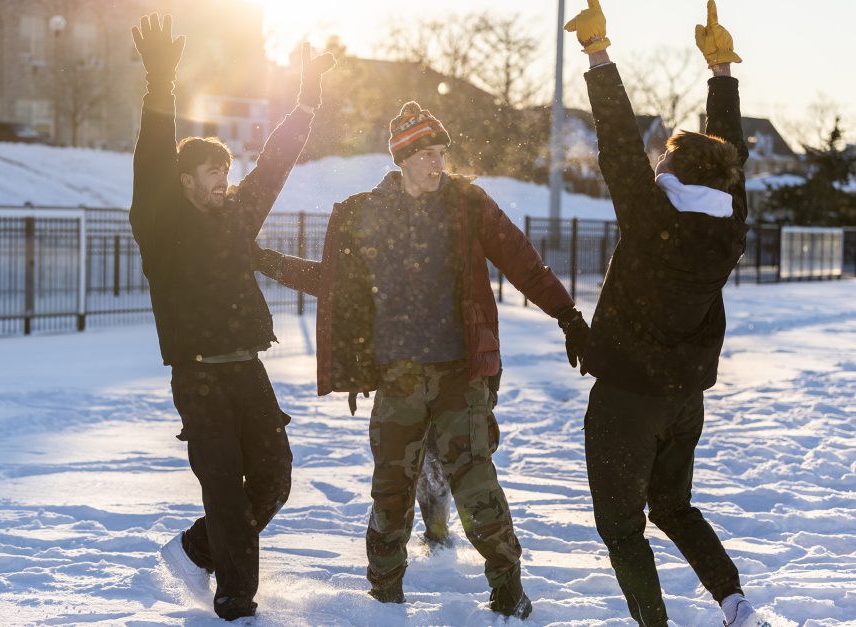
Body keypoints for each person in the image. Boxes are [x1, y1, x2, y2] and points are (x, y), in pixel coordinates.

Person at [254, 101, 589, 619]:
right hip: (397, 378)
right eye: (428, 155)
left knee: (476, 484)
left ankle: (508, 591)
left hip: (460, 375)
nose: (438, 165)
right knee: (391, 491)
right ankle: (385, 596)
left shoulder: (467, 204)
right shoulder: (364, 213)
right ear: (403, 158)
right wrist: (265, 261)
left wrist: (567, 315)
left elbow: (522, 260)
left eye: (441, 155)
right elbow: (333, 284)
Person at [564, 1, 770, 626]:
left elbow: (619, 141)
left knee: (622, 528)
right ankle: (735, 605)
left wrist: (599, 54)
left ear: (674, 170)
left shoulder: (652, 215)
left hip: (628, 399)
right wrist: (722, 71)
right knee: (673, 507)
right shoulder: (728, 225)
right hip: (684, 399)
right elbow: (724, 157)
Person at [128, 14, 334, 621]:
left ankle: (196, 548)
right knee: (224, 492)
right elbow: (151, 162)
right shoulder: (161, 226)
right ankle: (236, 602)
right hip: (198, 377)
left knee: (272, 481)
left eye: (226, 168)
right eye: (212, 170)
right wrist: (160, 80)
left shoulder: (236, 218)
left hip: (247, 371)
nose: (226, 177)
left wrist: (307, 100)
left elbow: (274, 163)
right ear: (184, 180)